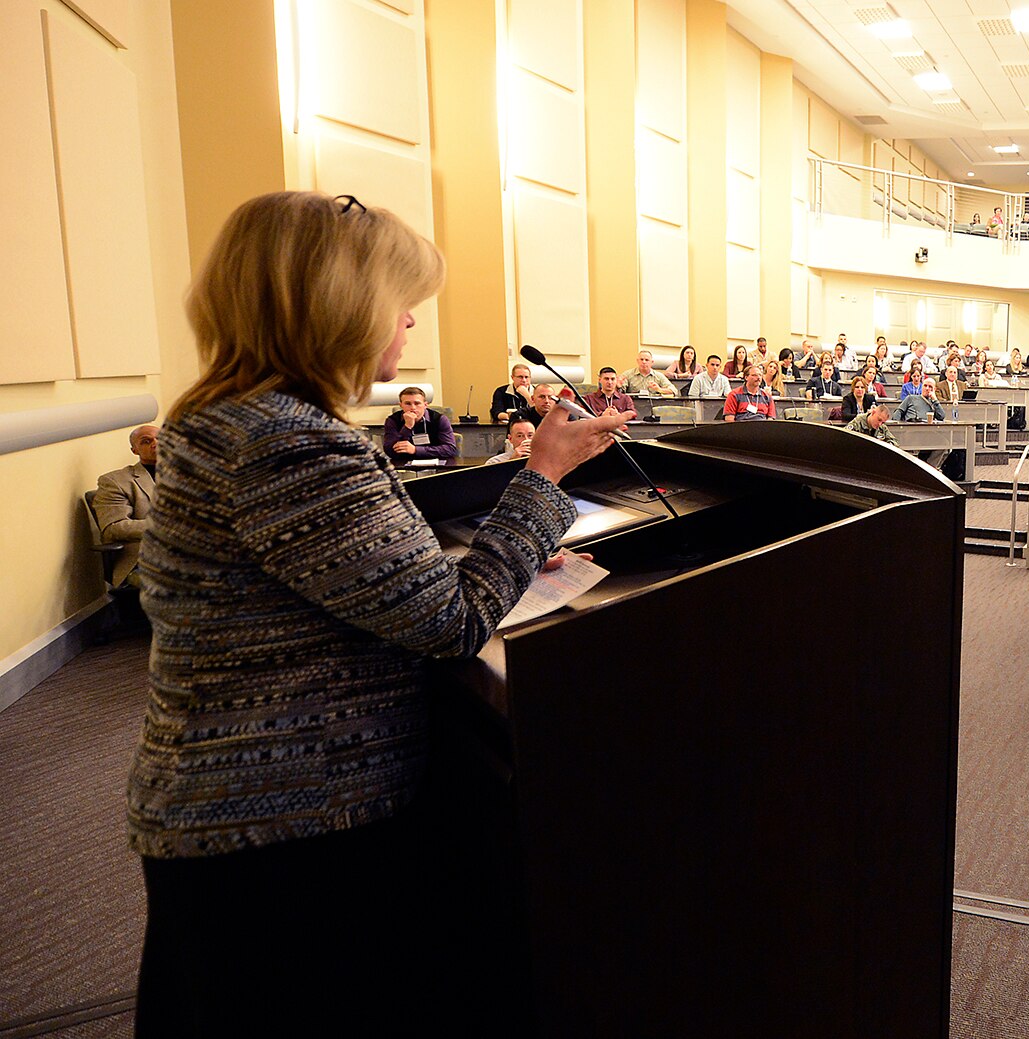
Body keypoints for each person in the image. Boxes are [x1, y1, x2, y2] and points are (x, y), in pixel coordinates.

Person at [126, 191, 628, 1032]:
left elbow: (352, 581)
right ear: (337, 307)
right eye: (399, 303)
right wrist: (541, 477)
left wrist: (500, 553)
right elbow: (452, 621)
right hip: (285, 833)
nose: (407, 325)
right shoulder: (289, 441)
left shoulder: (230, 419)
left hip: (239, 818)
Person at [93, 425, 159, 589]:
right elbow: (113, 527)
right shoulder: (116, 481)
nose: (156, 443)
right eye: (146, 441)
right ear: (135, 450)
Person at [383, 386, 460, 466]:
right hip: (404, 466)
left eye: (417, 403)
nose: (413, 408)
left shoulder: (440, 419)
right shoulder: (392, 421)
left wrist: (415, 450)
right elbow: (390, 451)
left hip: (437, 465)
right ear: (401, 405)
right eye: (408, 404)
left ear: (425, 405)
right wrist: (407, 427)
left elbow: (450, 449)